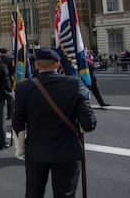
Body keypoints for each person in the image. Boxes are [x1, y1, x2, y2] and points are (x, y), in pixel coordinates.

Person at [13, 48, 96, 198]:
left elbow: (18, 123)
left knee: (33, 193)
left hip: (36, 152)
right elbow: (89, 124)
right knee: (65, 194)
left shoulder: (23, 87)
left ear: (36, 65)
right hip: (67, 152)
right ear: (58, 64)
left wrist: (20, 149)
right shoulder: (75, 84)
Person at [0, 48, 15, 119]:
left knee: (0, 100)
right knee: (9, 99)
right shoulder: (10, 60)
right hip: (8, 81)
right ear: (6, 53)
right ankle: (9, 115)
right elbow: (12, 72)